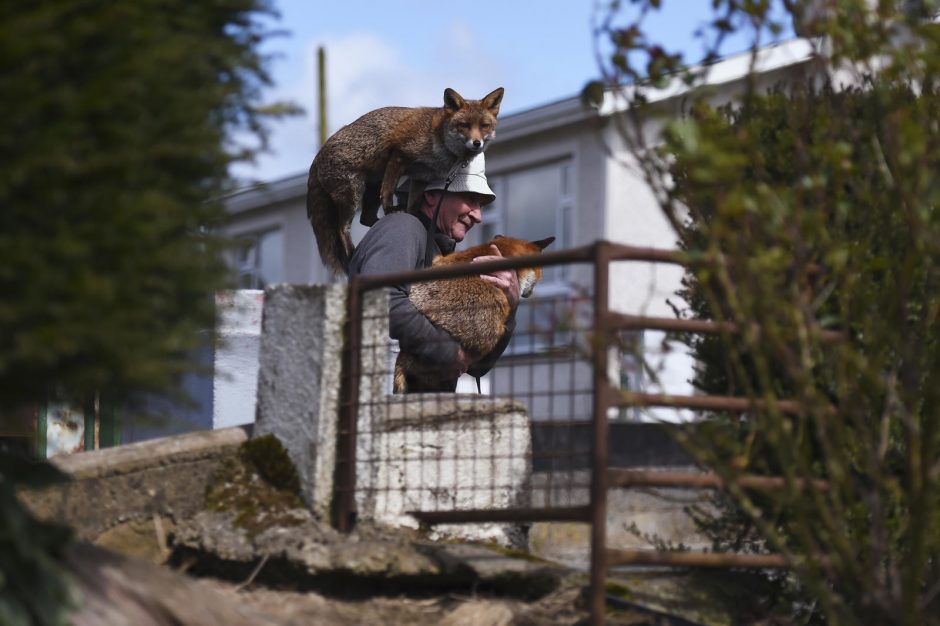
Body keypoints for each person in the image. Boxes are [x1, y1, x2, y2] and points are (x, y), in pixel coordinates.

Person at [347, 154, 519, 390]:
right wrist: (448, 352)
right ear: (430, 195)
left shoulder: (441, 255)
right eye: (470, 198)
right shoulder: (402, 228)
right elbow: (377, 298)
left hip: (415, 414)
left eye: (481, 205)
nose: (478, 215)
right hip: (380, 410)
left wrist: (510, 306)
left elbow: (477, 365)